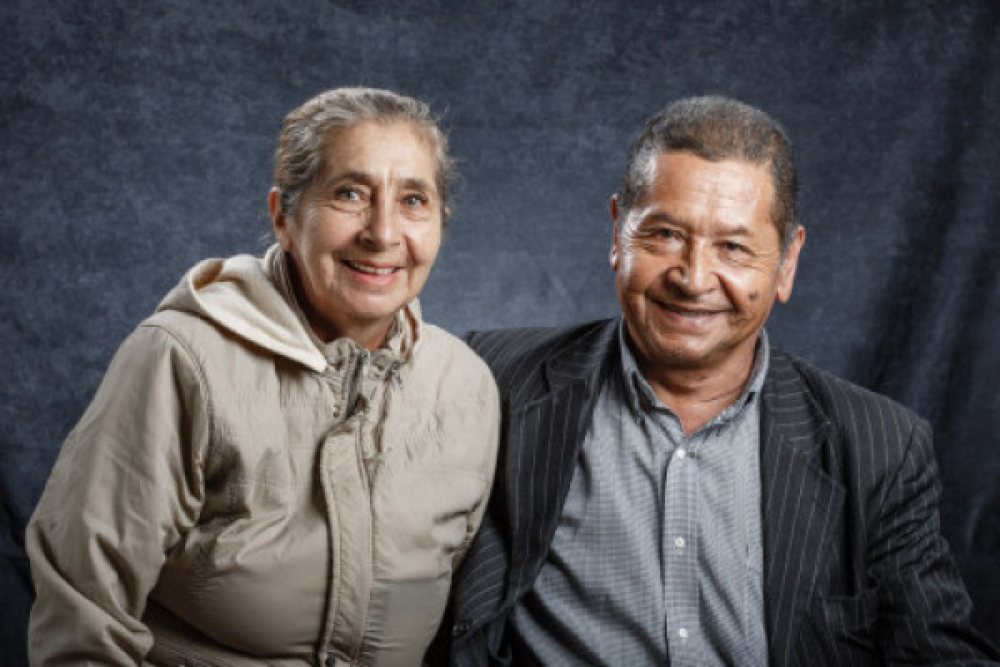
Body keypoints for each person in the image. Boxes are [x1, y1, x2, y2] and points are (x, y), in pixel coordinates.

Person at [433, 96, 1000, 666]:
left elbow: (940, 654)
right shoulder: (493, 379)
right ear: (617, 233)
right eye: (664, 235)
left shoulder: (879, 448)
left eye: (732, 246)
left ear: (787, 263)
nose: (694, 277)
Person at [26, 87, 500, 666]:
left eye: (413, 200)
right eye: (349, 193)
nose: (382, 232)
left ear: (440, 223)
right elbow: (82, 616)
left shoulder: (466, 388)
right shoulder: (182, 358)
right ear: (284, 217)